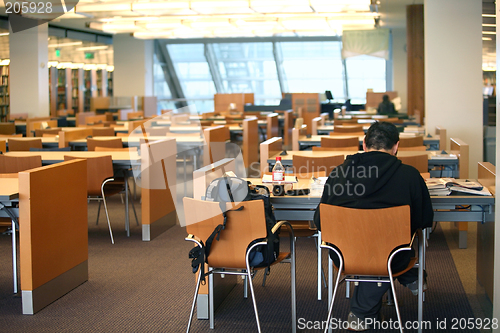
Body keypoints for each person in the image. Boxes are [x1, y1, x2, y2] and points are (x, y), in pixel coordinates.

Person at [313, 121, 433, 331]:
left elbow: (319, 220)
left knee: (373, 249)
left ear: (364, 145)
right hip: (392, 255)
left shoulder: (338, 173)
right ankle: (409, 277)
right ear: (396, 147)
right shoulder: (410, 175)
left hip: (343, 255)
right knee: (384, 249)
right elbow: (424, 220)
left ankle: (367, 310)